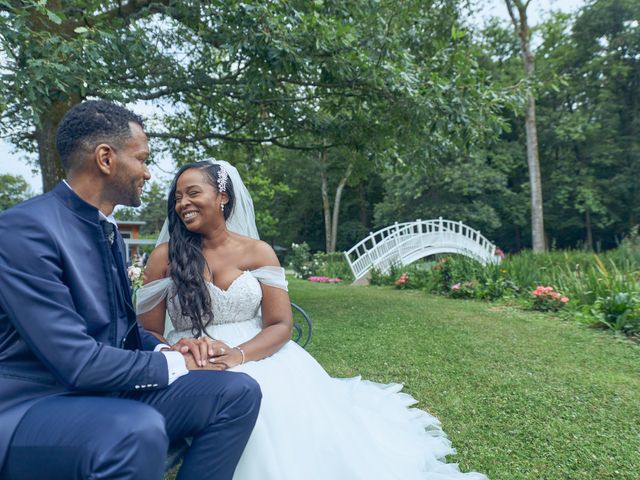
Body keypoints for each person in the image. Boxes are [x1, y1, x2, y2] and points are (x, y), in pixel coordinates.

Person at [138, 160, 488, 480]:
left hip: (258, 352)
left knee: (279, 411)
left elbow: (280, 324)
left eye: (193, 193)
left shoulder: (258, 252)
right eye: (178, 196)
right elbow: (148, 330)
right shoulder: (164, 257)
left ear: (223, 197)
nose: (183, 203)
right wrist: (177, 351)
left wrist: (237, 355)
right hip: (192, 359)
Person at [0, 101, 261, 480]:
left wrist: (166, 348)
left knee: (237, 392)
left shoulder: (110, 235)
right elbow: (76, 362)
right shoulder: (24, 230)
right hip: (35, 405)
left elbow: (120, 328)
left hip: (106, 392)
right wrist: (176, 364)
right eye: (142, 159)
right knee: (133, 430)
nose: (149, 173)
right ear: (105, 158)